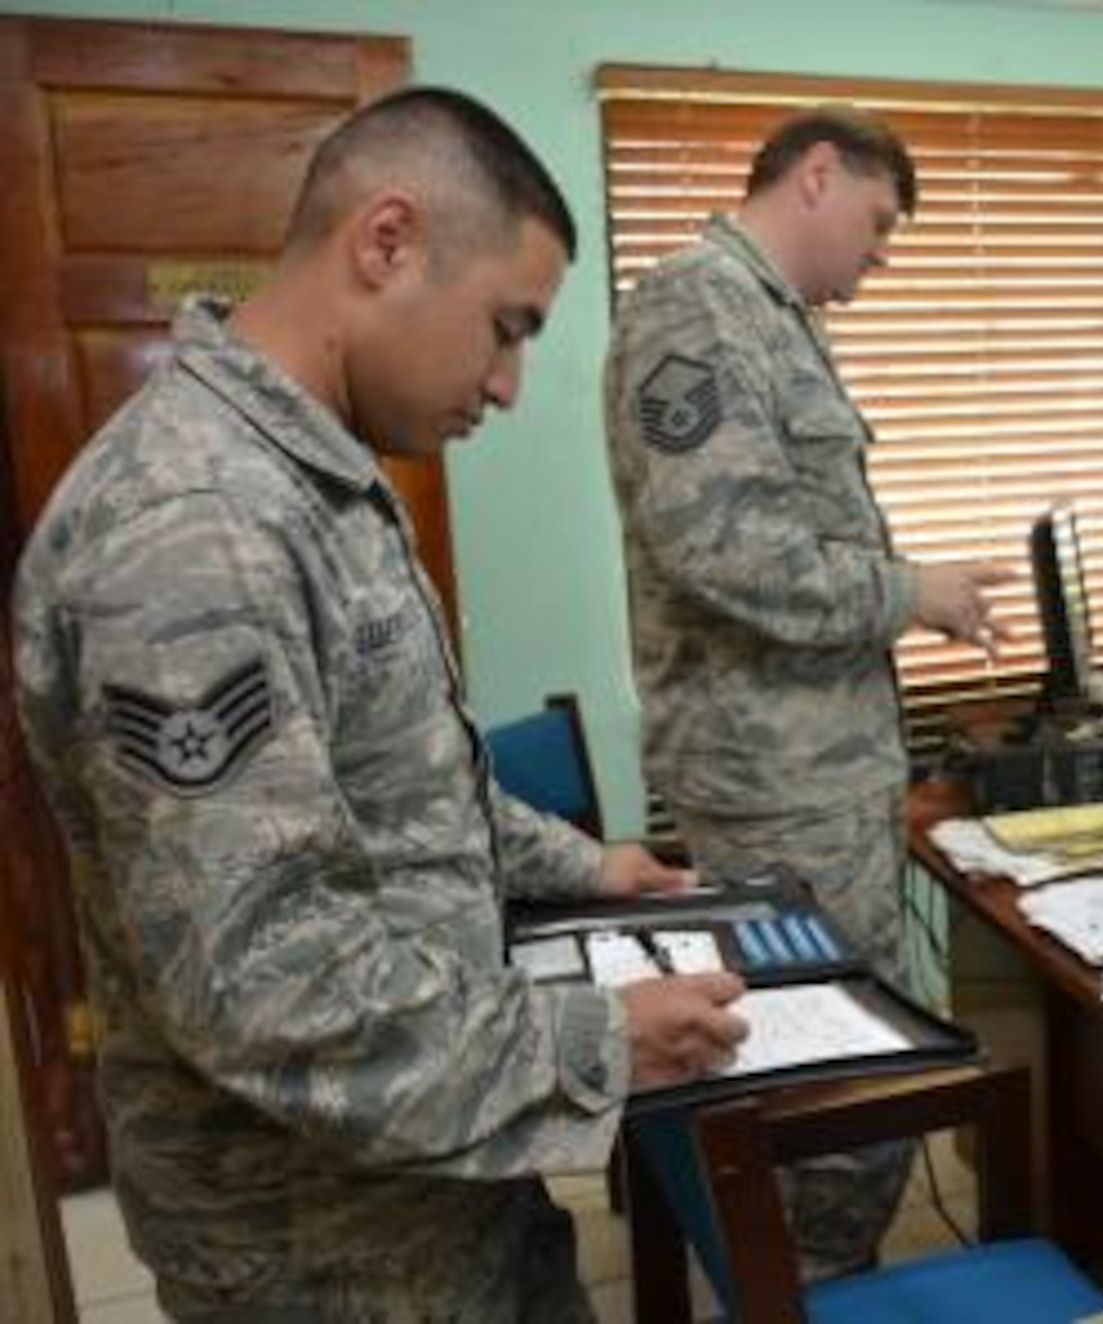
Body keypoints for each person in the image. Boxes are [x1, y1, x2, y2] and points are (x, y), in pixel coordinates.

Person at [12, 88, 750, 1321]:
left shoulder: (320, 478)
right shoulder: (197, 529)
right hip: (326, 1246)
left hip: (441, 1168)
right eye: (504, 327)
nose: (510, 383)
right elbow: (265, 981)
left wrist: (587, 863)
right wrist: (591, 1042)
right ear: (386, 242)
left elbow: (399, 788)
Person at [603, 105, 1008, 1276]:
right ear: (818, 176)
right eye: (878, 226)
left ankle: (818, 1278)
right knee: (829, 1078)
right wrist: (907, 592)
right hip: (773, 787)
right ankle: (809, 1291)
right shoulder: (697, 306)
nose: (879, 258)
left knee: (843, 1063)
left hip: (810, 775)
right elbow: (725, 549)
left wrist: (904, 588)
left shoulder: (771, 317)